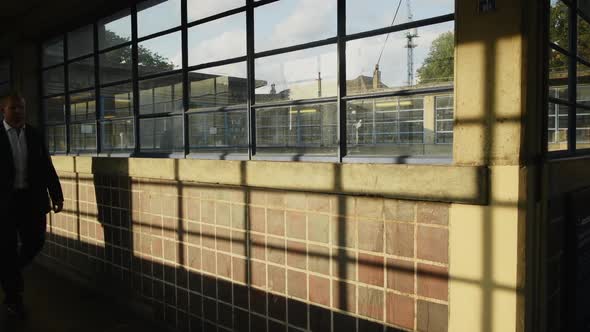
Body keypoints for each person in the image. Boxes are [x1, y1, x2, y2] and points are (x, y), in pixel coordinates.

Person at [0, 92, 63, 318]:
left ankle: (8, 272)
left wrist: (56, 194)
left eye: (21, 108)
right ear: (3, 111)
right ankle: (13, 298)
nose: (18, 112)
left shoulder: (34, 135)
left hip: (31, 200)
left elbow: (47, 166)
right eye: (13, 108)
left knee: (36, 241)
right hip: (4, 203)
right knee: (6, 249)